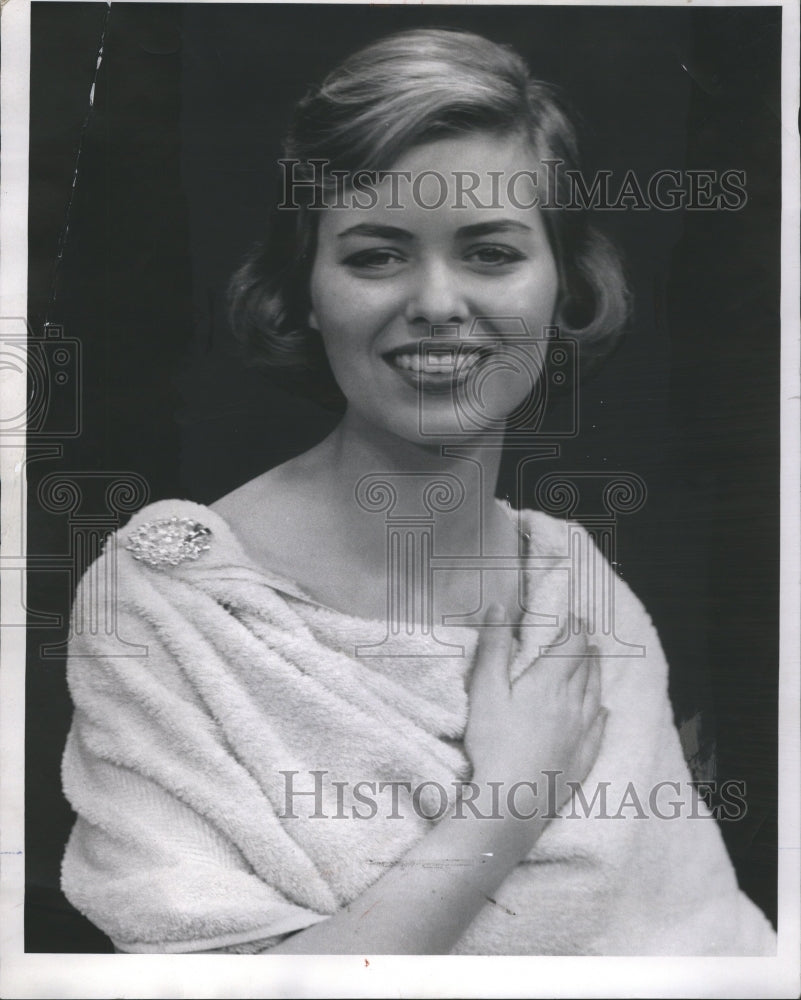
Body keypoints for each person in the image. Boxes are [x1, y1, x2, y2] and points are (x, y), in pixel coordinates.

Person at [60, 28, 776, 956]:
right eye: (376, 255)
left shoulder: (579, 588)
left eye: (489, 252)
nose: (437, 301)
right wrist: (501, 806)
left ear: (562, 288)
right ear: (306, 289)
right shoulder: (172, 600)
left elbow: (712, 955)